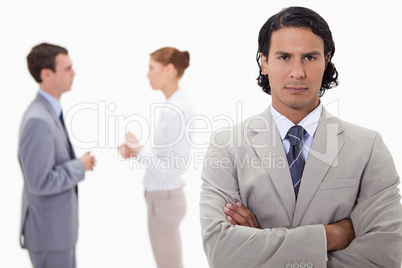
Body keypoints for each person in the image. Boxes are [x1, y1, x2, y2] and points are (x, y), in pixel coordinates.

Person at [200, 6, 402, 268]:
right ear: (264, 62)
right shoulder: (226, 146)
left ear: (326, 60)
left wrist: (258, 243)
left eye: (309, 57)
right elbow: (221, 251)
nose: (297, 72)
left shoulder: (368, 147)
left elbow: (385, 256)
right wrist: (329, 236)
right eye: (284, 57)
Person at [18, 43, 96, 268]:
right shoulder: (37, 120)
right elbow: (40, 182)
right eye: (68, 68)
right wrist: (80, 166)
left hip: (57, 233)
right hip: (50, 235)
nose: (74, 73)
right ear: (46, 74)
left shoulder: (49, 112)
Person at [119, 47, 193, 268]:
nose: (147, 74)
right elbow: (164, 159)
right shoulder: (172, 106)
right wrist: (137, 153)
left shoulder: (176, 111)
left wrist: (140, 149)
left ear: (169, 69)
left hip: (164, 201)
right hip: (162, 200)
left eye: (152, 68)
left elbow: (172, 170)